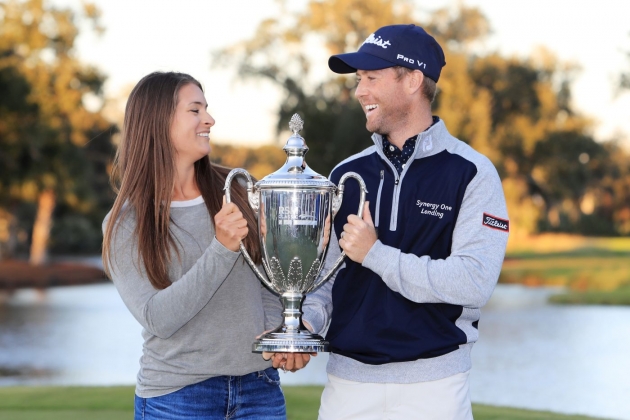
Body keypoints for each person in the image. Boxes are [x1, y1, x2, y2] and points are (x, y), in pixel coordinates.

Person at [302, 24, 510, 420]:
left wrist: (376, 255)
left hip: (435, 391)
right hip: (348, 387)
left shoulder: (472, 173)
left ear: (413, 80)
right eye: (359, 80)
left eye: (371, 78)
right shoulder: (345, 175)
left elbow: (473, 282)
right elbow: (323, 284)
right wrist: (305, 326)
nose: (360, 91)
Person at [102, 71, 307, 420]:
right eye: (195, 110)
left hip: (260, 390)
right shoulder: (125, 222)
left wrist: (279, 335)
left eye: (206, 109)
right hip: (178, 399)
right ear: (158, 121)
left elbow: (272, 281)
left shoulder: (240, 189)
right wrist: (221, 249)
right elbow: (158, 318)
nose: (209, 119)